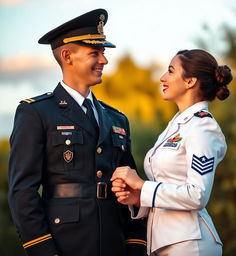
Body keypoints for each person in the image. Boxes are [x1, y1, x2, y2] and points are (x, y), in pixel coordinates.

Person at [8, 9, 146, 256]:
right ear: (67, 56)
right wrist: (44, 251)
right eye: (95, 53)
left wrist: (135, 247)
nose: (104, 60)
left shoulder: (117, 118)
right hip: (66, 245)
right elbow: (22, 193)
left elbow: (130, 189)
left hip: (114, 243)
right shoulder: (36, 113)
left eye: (103, 53)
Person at [111, 49, 233, 256]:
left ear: (190, 81)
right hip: (167, 243)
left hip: (191, 244)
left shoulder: (202, 128)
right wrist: (139, 196)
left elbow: (197, 195)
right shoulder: (177, 126)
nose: (162, 78)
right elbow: (168, 184)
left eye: (170, 71)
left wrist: (142, 185)